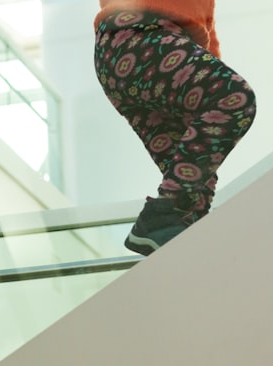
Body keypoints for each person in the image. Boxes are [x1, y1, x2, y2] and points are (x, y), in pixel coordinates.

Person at [93, 0, 256, 256]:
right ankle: (160, 218)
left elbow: (207, 36)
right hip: (140, 36)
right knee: (233, 97)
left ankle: (183, 250)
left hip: (138, 52)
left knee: (198, 172)